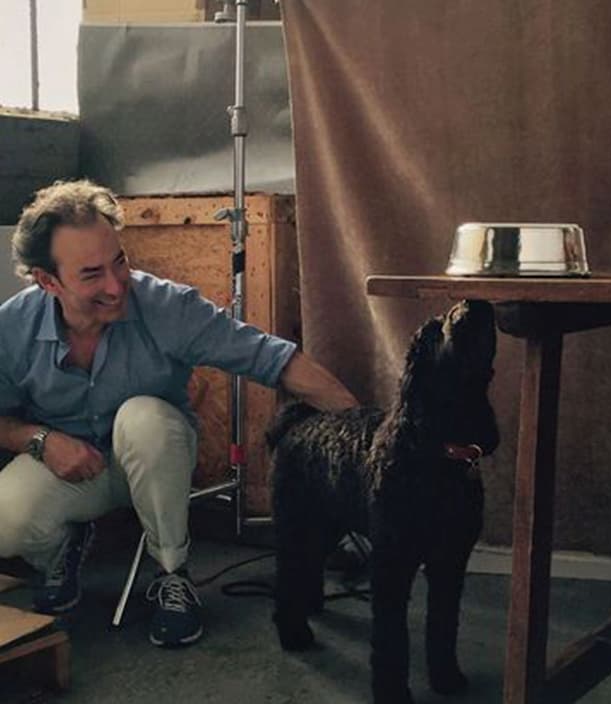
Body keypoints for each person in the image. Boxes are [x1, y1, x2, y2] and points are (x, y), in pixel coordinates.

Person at [0, 179, 358, 647]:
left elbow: (271, 358)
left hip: (157, 457)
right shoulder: (11, 328)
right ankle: (60, 554)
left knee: (145, 417)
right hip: (74, 467)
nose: (115, 284)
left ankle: (172, 572)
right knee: (6, 522)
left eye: (120, 261)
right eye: (92, 274)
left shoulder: (165, 305)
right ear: (48, 281)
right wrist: (41, 442)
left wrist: (361, 428)